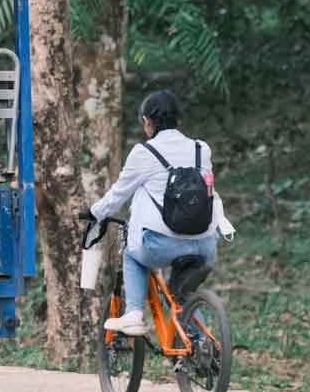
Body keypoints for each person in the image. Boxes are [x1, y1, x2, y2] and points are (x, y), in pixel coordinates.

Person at [87, 90, 231, 336]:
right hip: (205, 246)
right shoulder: (202, 149)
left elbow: (118, 194)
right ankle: (203, 346)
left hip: (160, 245)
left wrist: (93, 213)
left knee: (132, 255)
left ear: (147, 122)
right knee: (182, 295)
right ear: (179, 120)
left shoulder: (144, 153)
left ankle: (133, 313)